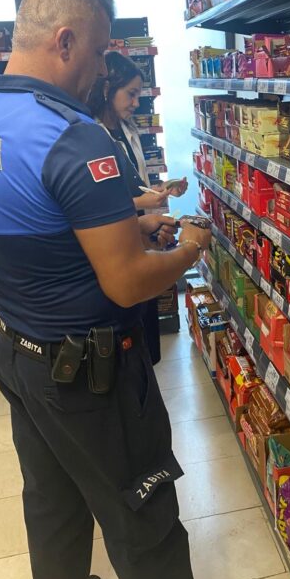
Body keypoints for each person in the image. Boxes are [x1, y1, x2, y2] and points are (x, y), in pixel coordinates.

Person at [0, 0, 232, 579]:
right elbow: (127, 283)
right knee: (141, 506)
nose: (104, 70)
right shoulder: (74, 137)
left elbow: (42, 228)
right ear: (65, 40)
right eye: (101, 53)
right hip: (89, 375)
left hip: (19, 355)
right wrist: (189, 250)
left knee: (52, 501)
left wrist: (128, 226)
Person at [88, 52, 189, 364]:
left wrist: (160, 190)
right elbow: (95, 204)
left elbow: (136, 182)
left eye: (139, 95)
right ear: (107, 89)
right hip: (116, 246)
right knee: (129, 334)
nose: (136, 103)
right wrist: (143, 203)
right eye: (130, 94)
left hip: (143, 238)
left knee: (145, 332)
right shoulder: (91, 136)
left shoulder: (126, 129)